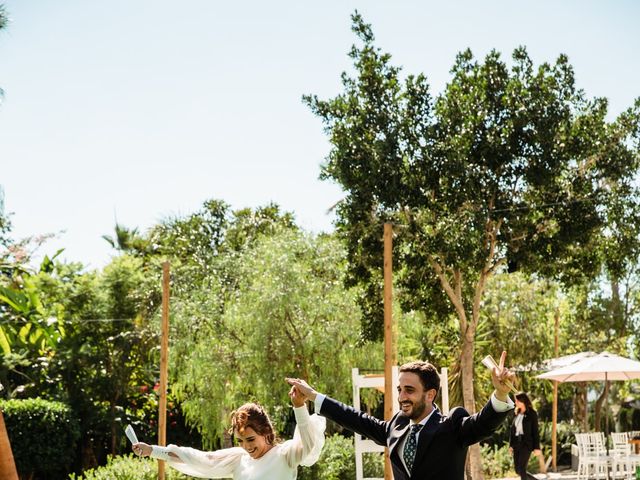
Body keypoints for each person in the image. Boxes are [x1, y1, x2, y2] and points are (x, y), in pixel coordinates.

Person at [287, 350, 516, 480]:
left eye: (409, 390)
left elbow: (483, 423)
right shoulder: (396, 425)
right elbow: (354, 418)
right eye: (399, 389)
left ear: (430, 394)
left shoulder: (452, 425)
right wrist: (314, 396)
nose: (401, 397)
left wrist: (500, 391)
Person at [132, 381, 325, 479]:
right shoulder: (239, 458)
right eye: (240, 441)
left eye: (250, 439)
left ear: (266, 432)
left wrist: (299, 407)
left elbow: (308, 446)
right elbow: (196, 459)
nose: (246, 446)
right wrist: (152, 450)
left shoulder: (285, 454)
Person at [509, 392, 542, 480]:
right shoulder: (516, 413)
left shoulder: (532, 414)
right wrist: (511, 445)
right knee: (518, 470)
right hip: (516, 444)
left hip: (526, 444)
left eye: (517, 400)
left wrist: (537, 447)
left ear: (522, 401)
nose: (515, 403)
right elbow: (512, 431)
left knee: (522, 469)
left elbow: (535, 431)